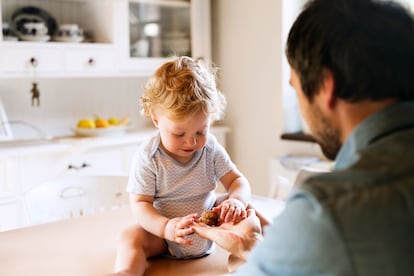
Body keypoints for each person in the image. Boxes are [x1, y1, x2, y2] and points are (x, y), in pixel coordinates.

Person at [194, 0, 414, 275]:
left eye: (296, 90)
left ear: (325, 86)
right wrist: (253, 247)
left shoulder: (327, 210)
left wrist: (247, 255)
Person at [112, 56, 252, 275]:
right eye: (179, 134)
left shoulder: (210, 149)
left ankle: (271, 249)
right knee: (130, 236)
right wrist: (165, 228)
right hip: (165, 238)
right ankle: (126, 272)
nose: (192, 142)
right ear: (156, 119)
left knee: (247, 210)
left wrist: (236, 201)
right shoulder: (149, 157)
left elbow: (237, 181)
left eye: (201, 132)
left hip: (211, 230)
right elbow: (140, 204)